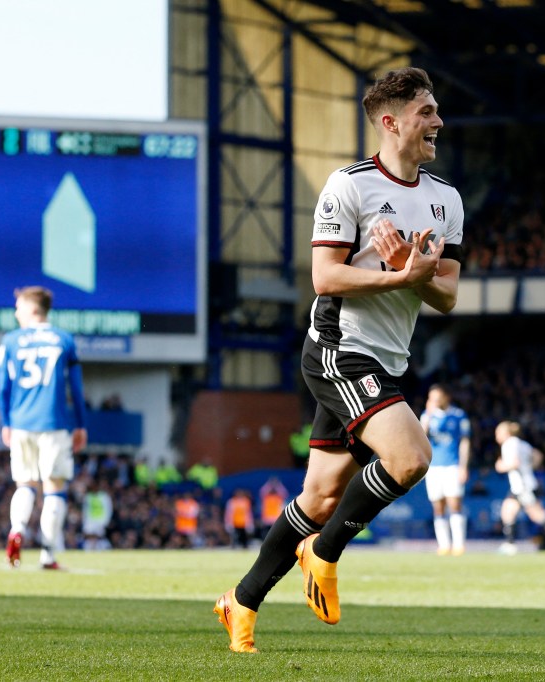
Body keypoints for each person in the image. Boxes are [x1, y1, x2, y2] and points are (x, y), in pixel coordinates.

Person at [214, 66, 464, 654]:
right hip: (337, 348)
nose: (437, 122)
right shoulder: (349, 186)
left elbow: (447, 295)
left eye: (435, 111)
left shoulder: (445, 200)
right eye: (426, 112)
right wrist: (400, 273)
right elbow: (324, 276)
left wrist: (416, 275)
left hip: (389, 359)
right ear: (390, 121)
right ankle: (323, 554)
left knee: (321, 497)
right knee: (411, 458)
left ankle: (240, 603)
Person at [0, 286, 87, 569]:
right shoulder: (64, 339)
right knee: (54, 488)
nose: (15, 312)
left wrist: (6, 422)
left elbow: (2, 388)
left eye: (19, 307)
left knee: (24, 484)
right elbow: (76, 387)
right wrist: (81, 424)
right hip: (54, 423)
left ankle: (18, 529)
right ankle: (48, 555)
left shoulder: (10, 340)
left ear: (33, 308)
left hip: (21, 422)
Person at [493, 421, 545, 555]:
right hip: (522, 484)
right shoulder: (522, 444)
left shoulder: (509, 444)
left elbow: (514, 463)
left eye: (498, 432)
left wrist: (500, 466)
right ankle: (510, 543)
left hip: (522, 486)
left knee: (536, 514)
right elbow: (538, 455)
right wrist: (530, 467)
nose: (496, 436)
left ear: (505, 433)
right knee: (508, 511)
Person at [419, 383, 470, 555]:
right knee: (438, 506)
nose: (434, 401)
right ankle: (444, 545)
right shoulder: (427, 416)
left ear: (446, 397)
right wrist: (428, 416)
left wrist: (463, 466)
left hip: (452, 465)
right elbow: (421, 438)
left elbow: (464, 442)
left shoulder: (458, 415)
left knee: (454, 504)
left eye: (437, 398)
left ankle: (459, 544)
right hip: (433, 467)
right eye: (431, 398)